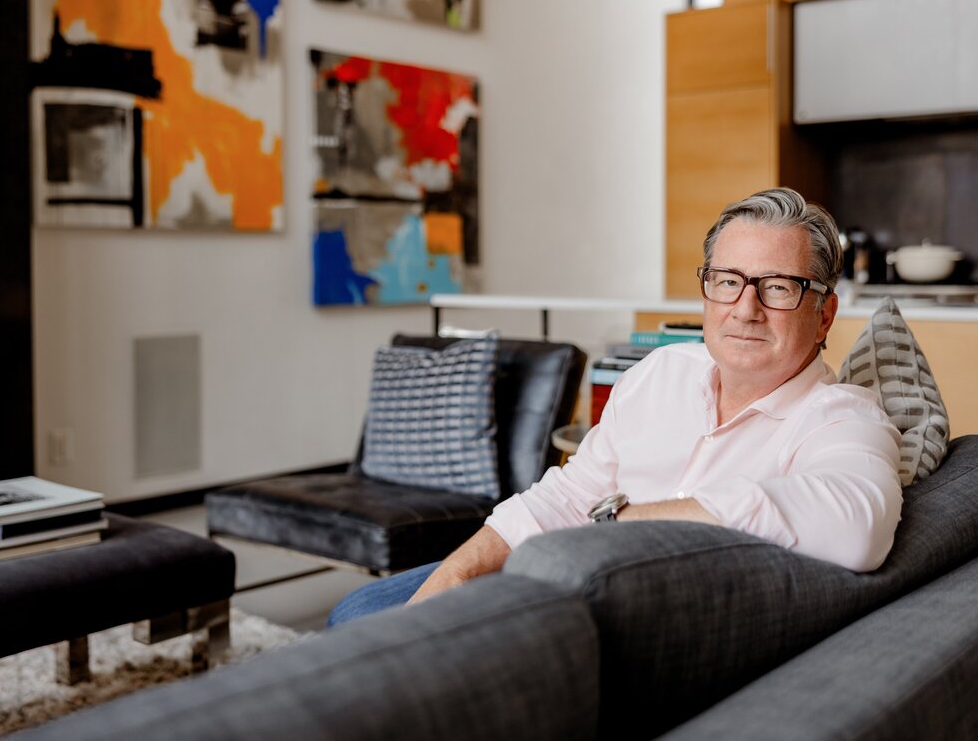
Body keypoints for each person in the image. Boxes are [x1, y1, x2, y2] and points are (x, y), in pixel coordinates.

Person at [328, 188, 903, 626]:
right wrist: (461, 569)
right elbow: (571, 493)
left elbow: (855, 528)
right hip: (560, 570)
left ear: (824, 315)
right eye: (727, 281)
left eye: (778, 286)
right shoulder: (660, 372)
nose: (745, 308)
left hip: (624, 619)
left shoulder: (842, 417)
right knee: (359, 612)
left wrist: (627, 524)